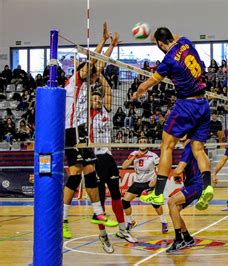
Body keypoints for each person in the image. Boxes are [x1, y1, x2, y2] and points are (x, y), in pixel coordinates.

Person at [132, 27, 214, 211]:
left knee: (167, 145)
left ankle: (158, 193)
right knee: (198, 148)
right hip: (204, 103)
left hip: (186, 105)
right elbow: (174, 37)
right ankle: (208, 186)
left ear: (160, 44)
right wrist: (161, 35)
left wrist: (138, 92)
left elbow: (149, 83)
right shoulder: (185, 42)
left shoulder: (168, 61)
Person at [62, 23, 118, 247]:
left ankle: (97, 212)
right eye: (91, 73)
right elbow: (93, 63)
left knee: (90, 172)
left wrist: (111, 47)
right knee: (75, 173)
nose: (94, 76)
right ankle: (63, 219)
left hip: (82, 131)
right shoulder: (76, 81)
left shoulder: (88, 83)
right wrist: (103, 41)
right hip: (71, 130)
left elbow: (99, 66)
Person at [89, 34, 138, 252]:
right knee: (99, 201)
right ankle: (102, 235)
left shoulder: (106, 109)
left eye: (99, 98)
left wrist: (112, 47)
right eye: (95, 99)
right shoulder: (86, 116)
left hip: (108, 157)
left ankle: (121, 228)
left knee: (116, 195)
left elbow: (108, 90)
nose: (97, 100)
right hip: (93, 158)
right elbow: (94, 66)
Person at [122, 137, 168, 234]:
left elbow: (160, 169)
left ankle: (164, 222)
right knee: (125, 201)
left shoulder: (153, 156)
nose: (142, 143)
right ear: (137, 144)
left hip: (149, 182)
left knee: (155, 204)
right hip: (138, 182)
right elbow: (124, 166)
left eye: (144, 142)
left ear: (147, 144)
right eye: (140, 142)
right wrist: (134, 157)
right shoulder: (133, 154)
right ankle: (130, 222)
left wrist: (155, 180)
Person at [166, 138, 205, 252]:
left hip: (196, 185)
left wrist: (175, 173)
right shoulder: (191, 146)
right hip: (191, 184)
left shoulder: (189, 147)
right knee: (174, 210)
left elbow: (178, 170)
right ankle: (187, 238)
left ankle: (179, 240)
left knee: (171, 201)